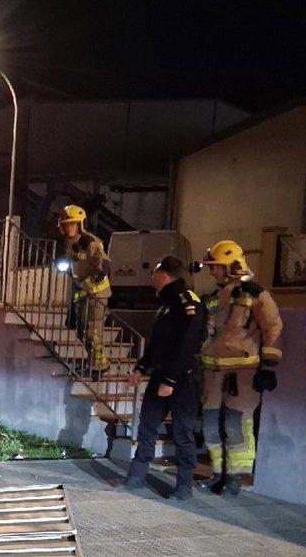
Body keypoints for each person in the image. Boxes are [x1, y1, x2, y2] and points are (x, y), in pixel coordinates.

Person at [198, 240, 283, 496]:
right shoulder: (213, 297)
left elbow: (273, 327)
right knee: (210, 424)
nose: (212, 272)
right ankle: (217, 474)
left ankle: (234, 479)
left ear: (232, 266)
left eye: (216, 267)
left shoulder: (255, 293)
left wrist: (268, 366)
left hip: (243, 374)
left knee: (236, 425)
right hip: (213, 373)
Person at [122, 257, 207, 500]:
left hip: (182, 380)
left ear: (166, 276)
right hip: (160, 375)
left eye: (155, 274)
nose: (152, 279)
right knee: (147, 426)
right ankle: (136, 477)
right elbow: (157, 345)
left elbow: (187, 345)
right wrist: (141, 368)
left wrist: (169, 381)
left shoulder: (188, 303)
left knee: (182, 433)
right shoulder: (166, 306)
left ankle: (183, 488)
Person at [58, 204, 111, 375]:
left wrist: (88, 283)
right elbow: (74, 263)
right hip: (82, 291)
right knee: (82, 331)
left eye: (73, 224)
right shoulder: (69, 243)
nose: (69, 227)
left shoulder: (90, 242)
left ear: (80, 224)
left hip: (96, 293)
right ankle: (93, 362)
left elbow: (104, 267)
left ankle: (100, 365)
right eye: (66, 224)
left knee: (92, 330)